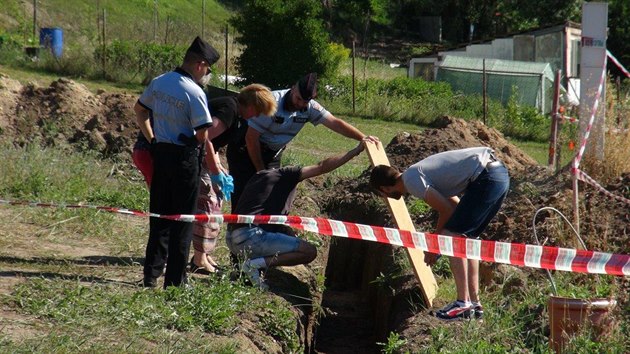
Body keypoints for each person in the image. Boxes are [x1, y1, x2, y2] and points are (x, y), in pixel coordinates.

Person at [369, 147, 509, 320]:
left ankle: (462, 304)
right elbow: (454, 207)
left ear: (385, 189)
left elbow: (446, 211)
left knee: (452, 236)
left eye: (382, 194)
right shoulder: (420, 174)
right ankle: (474, 303)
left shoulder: (411, 181)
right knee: (468, 239)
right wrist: (438, 241)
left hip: (486, 178)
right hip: (498, 175)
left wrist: (435, 246)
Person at [226, 140, 370, 290]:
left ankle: (249, 266)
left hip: (232, 240)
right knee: (309, 252)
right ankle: (253, 265)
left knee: (287, 233)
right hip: (251, 237)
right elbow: (322, 166)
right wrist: (356, 151)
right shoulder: (285, 175)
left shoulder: (258, 178)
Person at [134, 36, 219, 288]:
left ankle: (150, 276)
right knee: (182, 220)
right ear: (200, 65)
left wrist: (153, 140)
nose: (207, 74)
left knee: (159, 216)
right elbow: (203, 134)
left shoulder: (159, 82)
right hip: (184, 160)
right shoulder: (194, 92)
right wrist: (191, 141)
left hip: (160, 154)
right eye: (208, 69)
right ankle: (175, 282)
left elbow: (140, 110)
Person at [227, 72, 379, 213]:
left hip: (272, 154)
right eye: (298, 99)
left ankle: (263, 231)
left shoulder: (310, 108)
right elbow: (251, 139)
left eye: (305, 101)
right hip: (246, 151)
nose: (300, 104)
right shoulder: (272, 103)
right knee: (244, 195)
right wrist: (261, 171)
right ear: (293, 89)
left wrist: (363, 138)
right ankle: (237, 231)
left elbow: (335, 123)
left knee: (269, 195)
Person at [189, 84, 277, 275]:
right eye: (259, 112)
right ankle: (198, 258)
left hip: (203, 157)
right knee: (208, 205)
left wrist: (219, 167)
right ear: (252, 107)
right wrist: (214, 172)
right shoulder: (230, 108)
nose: (257, 118)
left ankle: (205, 254)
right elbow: (204, 138)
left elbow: (216, 144)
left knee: (216, 204)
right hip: (190, 156)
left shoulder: (238, 116)